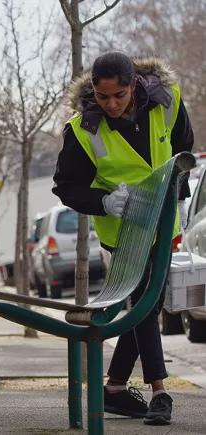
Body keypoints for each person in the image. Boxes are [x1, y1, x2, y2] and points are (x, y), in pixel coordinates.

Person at [53, 52, 193, 426]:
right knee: (145, 303)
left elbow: (183, 149)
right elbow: (66, 188)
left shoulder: (168, 101)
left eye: (119, 95)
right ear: (94, 92)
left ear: (135, 85)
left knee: (148, 304)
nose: (111, 104)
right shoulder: (83, 130)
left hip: (164, 226)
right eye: (103, 97)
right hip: (125, 232)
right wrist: (103, 201)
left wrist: (178, 193)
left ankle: (114, 389)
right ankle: (160, 392)